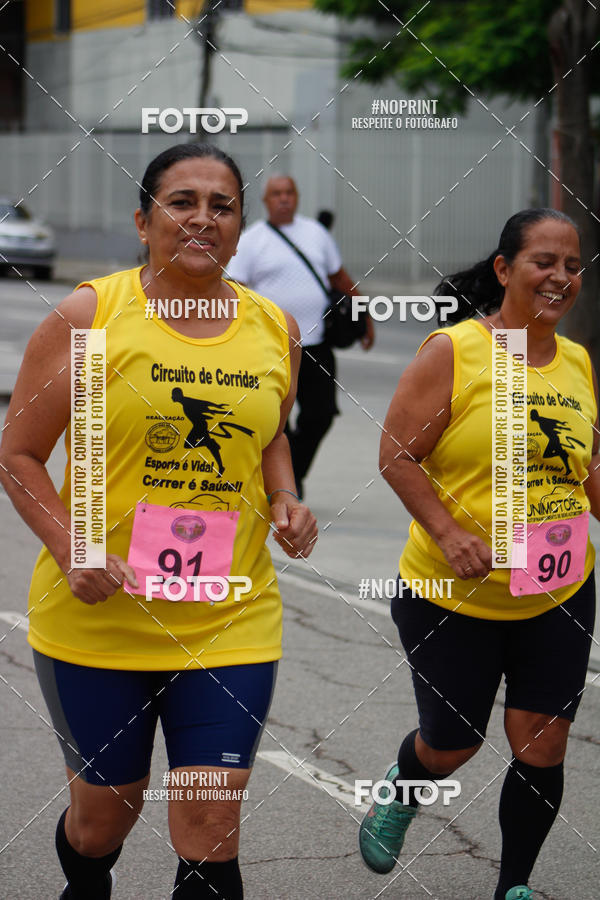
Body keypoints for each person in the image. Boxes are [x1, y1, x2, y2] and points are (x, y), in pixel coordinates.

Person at [0, 143, 317, 900]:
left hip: (228, 617)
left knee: (209, 824)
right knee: (102, 823)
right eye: (183, 202)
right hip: (98, 619)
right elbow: (19, 452)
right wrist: (71, 547)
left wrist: (286, 498)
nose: (203, 217)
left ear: (241, 231)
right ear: (144, 221)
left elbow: (271, 429)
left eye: (222, 205)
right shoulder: (92, 315)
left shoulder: (275, 327)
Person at [359, 208, 599, 900]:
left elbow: (584, 469)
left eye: (573, 265)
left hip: (557, 588)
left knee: (543, 742)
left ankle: (514, 887)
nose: (560, 277)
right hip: (451, 595)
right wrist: (449, 531)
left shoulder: (578, 361)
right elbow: (398, 456)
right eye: (544, 262)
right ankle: (404, 788)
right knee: (451, 745)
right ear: (505, 269)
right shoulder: (456, 352)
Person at [226, 174, 374, 498]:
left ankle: (291, 474)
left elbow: (339, 276)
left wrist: (365, 317)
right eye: (276, 194)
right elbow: (236, 290)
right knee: (274, 421)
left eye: (289, 192)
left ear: (297, 197)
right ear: (266, 201)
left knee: (320, 415)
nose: (283, 199)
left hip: (316, 345)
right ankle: (284, 486)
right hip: (267, 348)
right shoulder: (252, 240)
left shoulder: (316, 233)